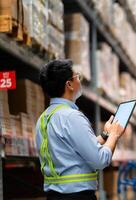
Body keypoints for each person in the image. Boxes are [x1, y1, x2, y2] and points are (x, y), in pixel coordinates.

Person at [36, 59, 125, 200]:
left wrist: (105, 135)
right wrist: (114, 135)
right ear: (69, 84)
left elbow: (72, 150)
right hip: (77, 196)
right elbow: (100, 160)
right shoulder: (72, 117)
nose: (80, 81)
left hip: (54, 196)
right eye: (78, 77)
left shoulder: (43, 118)